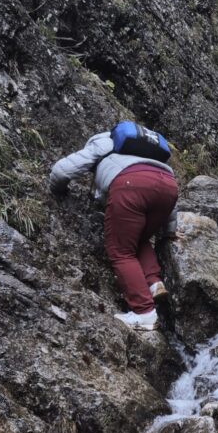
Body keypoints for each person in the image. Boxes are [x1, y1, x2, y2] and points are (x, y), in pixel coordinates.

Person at [49, 123, 178, 331]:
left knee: (121, 251)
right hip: (169, 186)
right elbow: (160, 185)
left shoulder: (104, 140)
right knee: (139, 239)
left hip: (132, 184)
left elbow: (63, 170)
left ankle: (144, 312)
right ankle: (154, 283)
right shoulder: (152, 152)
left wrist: (55, 188)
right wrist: (170, 230)